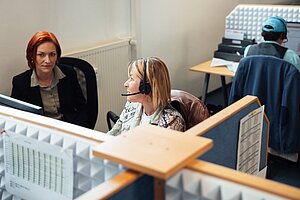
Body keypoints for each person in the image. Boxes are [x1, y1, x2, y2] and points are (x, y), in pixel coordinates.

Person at [11, 31, 88, 127]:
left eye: (52, 54)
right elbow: (17, 119)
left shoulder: (69, 74)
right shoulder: (21, 83)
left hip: (70, 128)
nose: (47, 60)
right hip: (40, 131)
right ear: (32, 56)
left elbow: (83, 109)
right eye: (41, 55)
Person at [107, 57, 186, 136]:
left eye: (132, 78)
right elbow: (114, 132)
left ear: (145, 87)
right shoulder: (131, 106)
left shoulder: (170, 122)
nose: (125, 84)